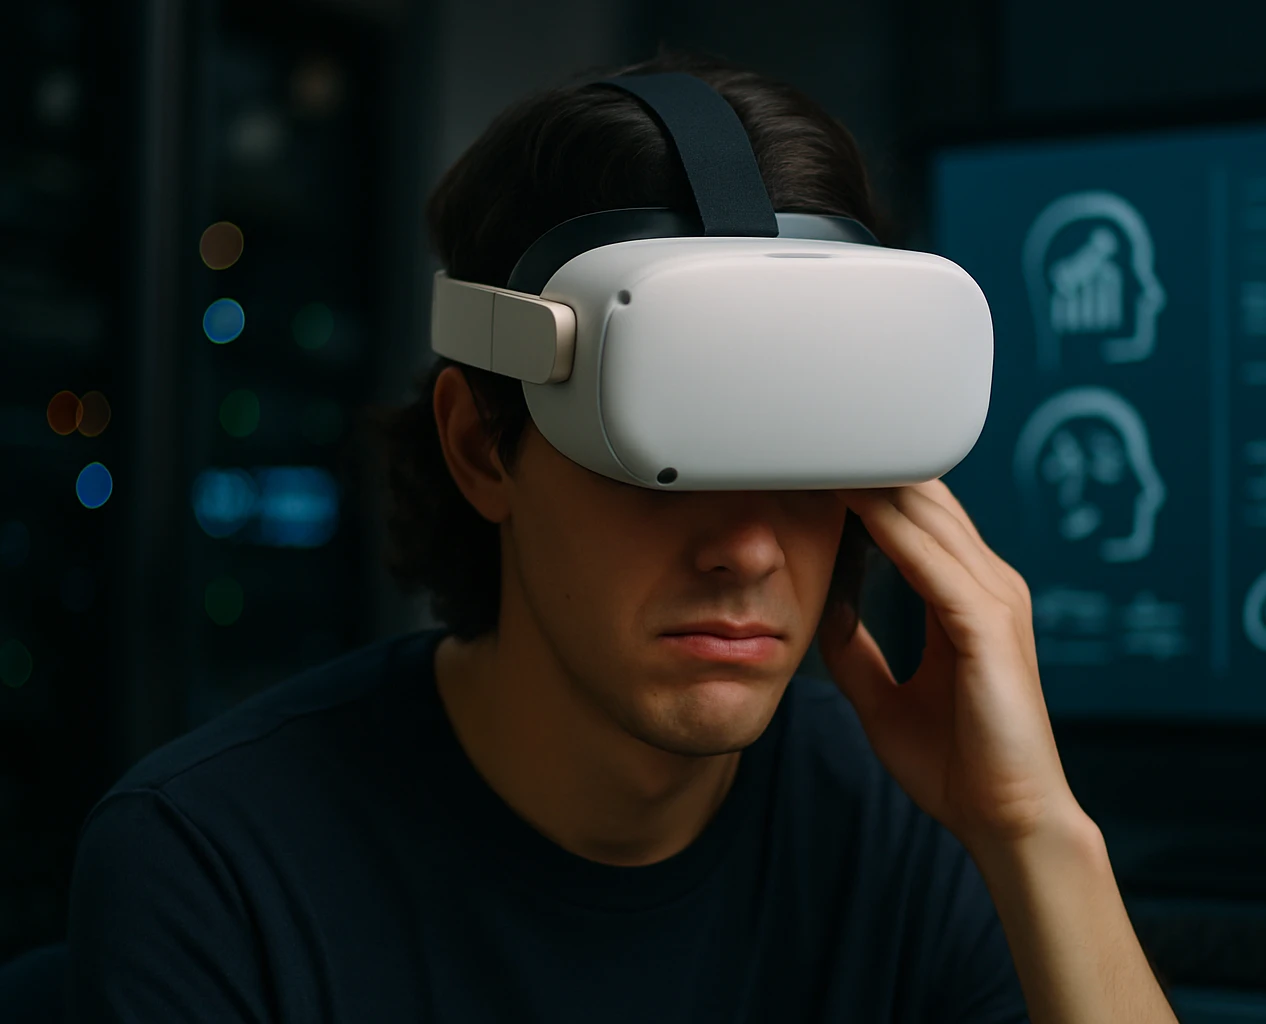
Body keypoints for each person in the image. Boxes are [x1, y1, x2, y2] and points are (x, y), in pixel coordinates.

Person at [65, 50, 1178, 1023]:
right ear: (482, 446)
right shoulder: (215, 869)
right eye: (668, 456)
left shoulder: (912, 828)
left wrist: (1037, 835)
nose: (745, 548)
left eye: (799, 456)